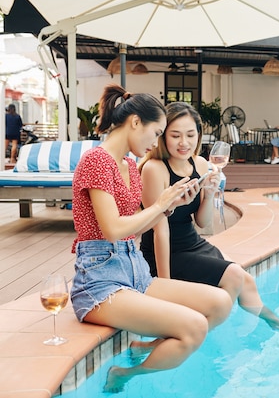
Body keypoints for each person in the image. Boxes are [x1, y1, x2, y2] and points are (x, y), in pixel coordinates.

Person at [70, 85, 233, 393]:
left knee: (221, 303)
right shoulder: (97, 161)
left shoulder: (128, 164)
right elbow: (113, 229)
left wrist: (171, 206)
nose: (156, 142)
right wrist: (159, 205)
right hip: (100, 283)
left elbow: (134, 229)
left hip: (135, 270)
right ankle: (126, 374)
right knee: (194, 327)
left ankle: (147, 349)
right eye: (156, 132)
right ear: (135, 122)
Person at [139, 101, 279, 333]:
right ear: (163, 136)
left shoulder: (199, 164)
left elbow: (203, 223)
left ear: (199, 135)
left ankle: (274, 323)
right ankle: (180, 334)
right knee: (233, 276)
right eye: (175, 135)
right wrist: (167, 287)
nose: (184, 143)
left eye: (190, 135)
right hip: (166, 252)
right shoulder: (154, 169)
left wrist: (209, 194)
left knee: (245, 280)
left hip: (192, 243)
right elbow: (160, 232)